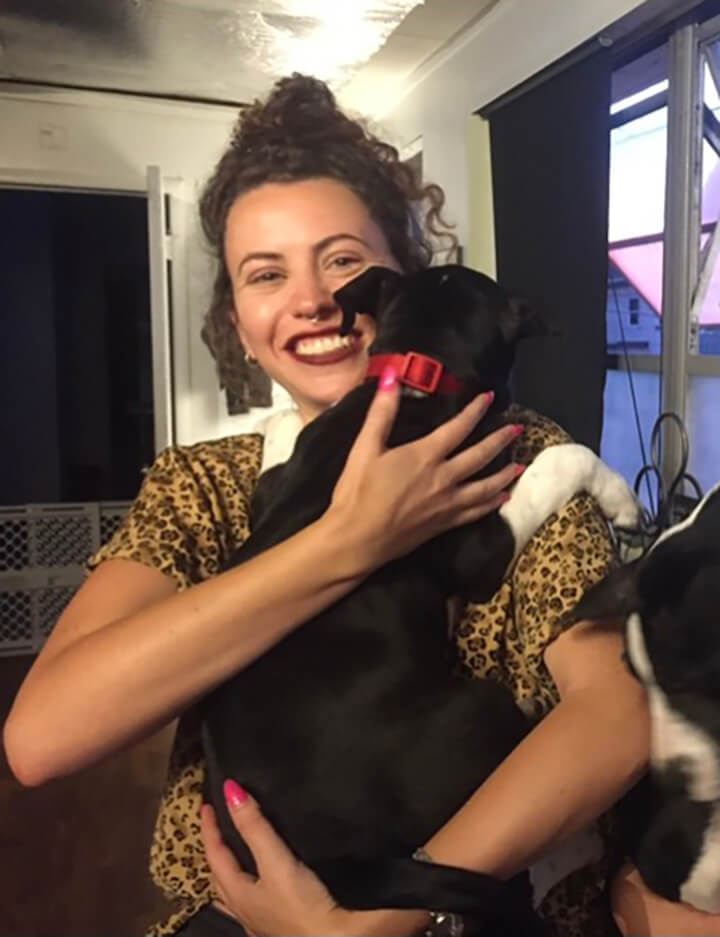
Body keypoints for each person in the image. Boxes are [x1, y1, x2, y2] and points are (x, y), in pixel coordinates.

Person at [4, 73, 668, 937]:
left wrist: (388, 918)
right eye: (265, 274)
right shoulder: (202, 487)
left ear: (405, 284)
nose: (314, 300)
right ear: (239, 323)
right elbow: (42, 737)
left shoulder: (515, 454)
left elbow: (614, 715)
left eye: (344, 260)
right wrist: (344, 542)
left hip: (465, 909)